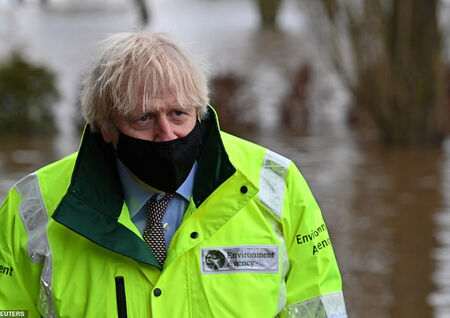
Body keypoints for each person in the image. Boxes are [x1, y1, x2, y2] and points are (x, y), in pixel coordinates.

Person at [0, 32, 347, 317]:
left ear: (200, 111)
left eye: (179, 114)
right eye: (144, 118)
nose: (166, 134)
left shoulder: (276, 184)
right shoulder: (33, 208)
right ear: (106, 127)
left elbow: (318, 307)